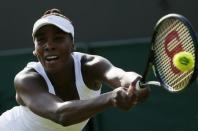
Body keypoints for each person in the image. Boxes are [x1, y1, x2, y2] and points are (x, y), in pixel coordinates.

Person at [0, 8, 150, 131]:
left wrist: (135, 83)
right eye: (41, 40)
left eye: (58, 38)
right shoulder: (26, 79)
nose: (49, 45)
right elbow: (61, 114)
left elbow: (121, 76)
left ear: (73, 45)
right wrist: (110, 98)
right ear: (35, 50)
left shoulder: (92, 65)